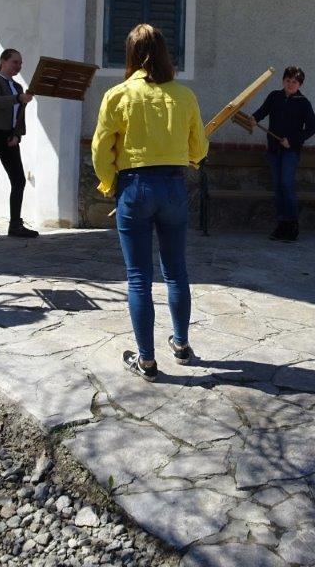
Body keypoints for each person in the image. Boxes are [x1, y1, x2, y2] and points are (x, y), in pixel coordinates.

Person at [91, 24, 208, 381]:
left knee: (139, 277)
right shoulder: (184, 96)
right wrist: (188, 156)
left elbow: (100, 149)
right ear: (164, 54)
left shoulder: (118, 95)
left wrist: (109, 183)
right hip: (173, 186)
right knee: (176, 271)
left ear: (130, 54)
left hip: (135, 187)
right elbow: (199, 148)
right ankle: (182, 345)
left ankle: (147, 361)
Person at [249, 66, 315, 242]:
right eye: (288, 80)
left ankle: (292, 225)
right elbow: (262, 111)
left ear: (300, 84)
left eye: (294, 82)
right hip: (274, 150)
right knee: (278, 187)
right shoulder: (274, 96)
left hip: (290, 152)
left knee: (287, 185)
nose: (290, 84)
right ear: (283, 80)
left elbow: (312, 128)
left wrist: (292, 141)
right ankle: (281, 225)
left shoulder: (303, 103)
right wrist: (254, 118)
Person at [0, 49, 38, 240]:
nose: (18, 66)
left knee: (18, 179)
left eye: (20, 63)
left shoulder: (18, 86)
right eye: (14, 62)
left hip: (9, 137)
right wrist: (18, 99)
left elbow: (19, 115)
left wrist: (17, 135)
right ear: (3, 61)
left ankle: (15, 225)